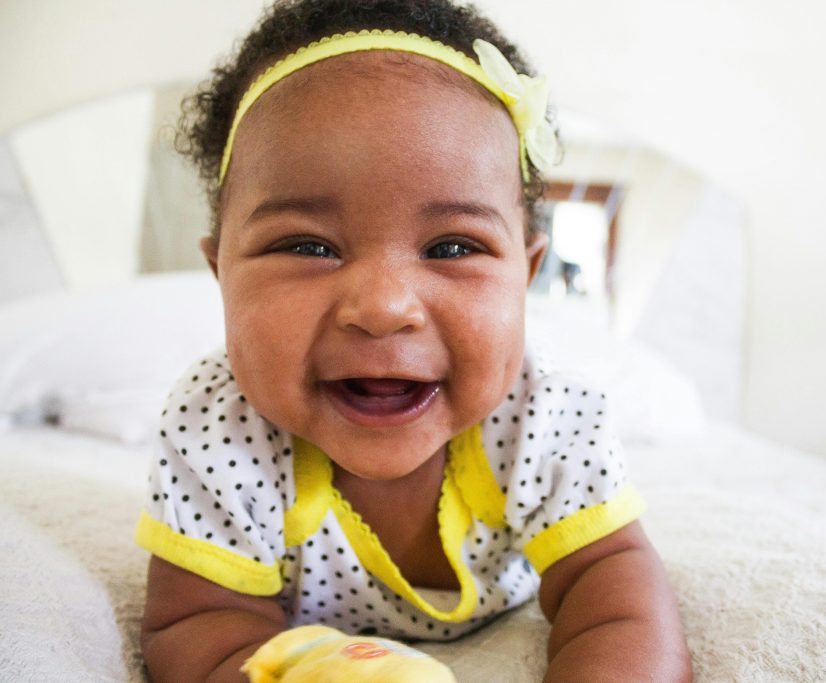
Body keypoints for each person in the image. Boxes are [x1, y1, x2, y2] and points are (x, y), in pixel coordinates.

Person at [136, 1, 691, 680]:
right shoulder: (217, 426)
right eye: (307, 245)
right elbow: (197, 624)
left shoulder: (546, 415)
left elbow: (615, 597)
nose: (383, 308)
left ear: (526, 274)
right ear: (222, 272)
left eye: (452, 245)